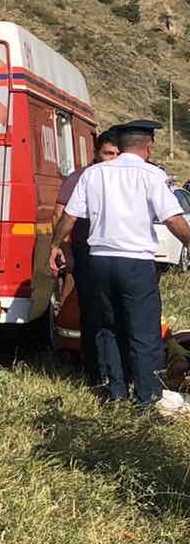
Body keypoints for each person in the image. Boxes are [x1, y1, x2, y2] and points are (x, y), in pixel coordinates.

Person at [50, 120, 190, 413]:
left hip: (99, 261)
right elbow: (172, 219)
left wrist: (55, 245)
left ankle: (116, 393)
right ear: (148, 146)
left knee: (108, 328)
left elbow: (68, 217)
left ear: (122, 146)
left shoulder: (94, 174)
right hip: (135, 263)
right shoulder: (151, 175)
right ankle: (146, 397)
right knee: (143, 330)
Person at [54, 131, 122, 392]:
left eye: (116, 154)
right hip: (86, 256)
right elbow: (60, 214)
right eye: (107, 153)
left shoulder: (124, 178)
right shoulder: (80, 178)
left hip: (118, 256)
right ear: (96, 153)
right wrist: (65, 249)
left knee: (116, 316)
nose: (112, 159)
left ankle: (117, 373)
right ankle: (95, 373)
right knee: (92, 316)